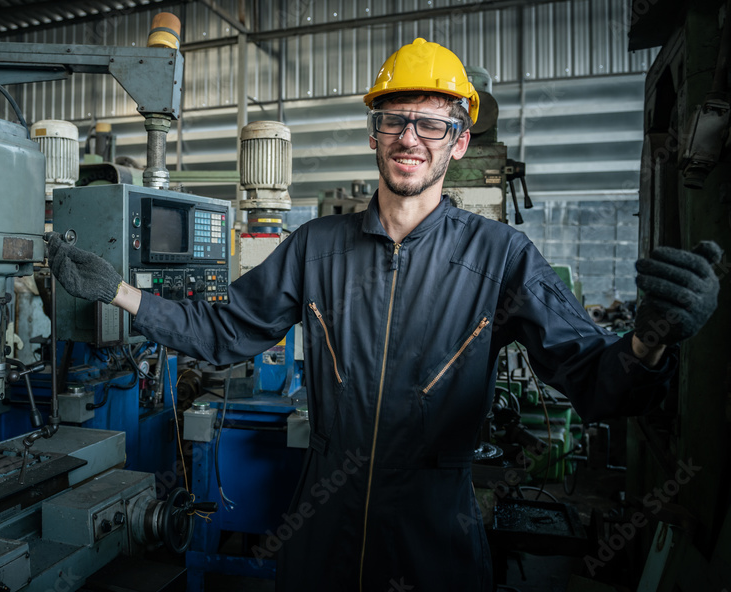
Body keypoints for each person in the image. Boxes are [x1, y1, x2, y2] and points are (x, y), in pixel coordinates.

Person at [45, 38, 721, 592]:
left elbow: (593, 379)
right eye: (396, 120)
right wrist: (122, 295)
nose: (411, 138)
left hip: (435, 533)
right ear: (374, 135)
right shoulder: (315, 248)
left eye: (433, 124)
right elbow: (225, 333)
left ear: (459, 142)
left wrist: (651, 339)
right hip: (320, 525)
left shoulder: (502, 257)